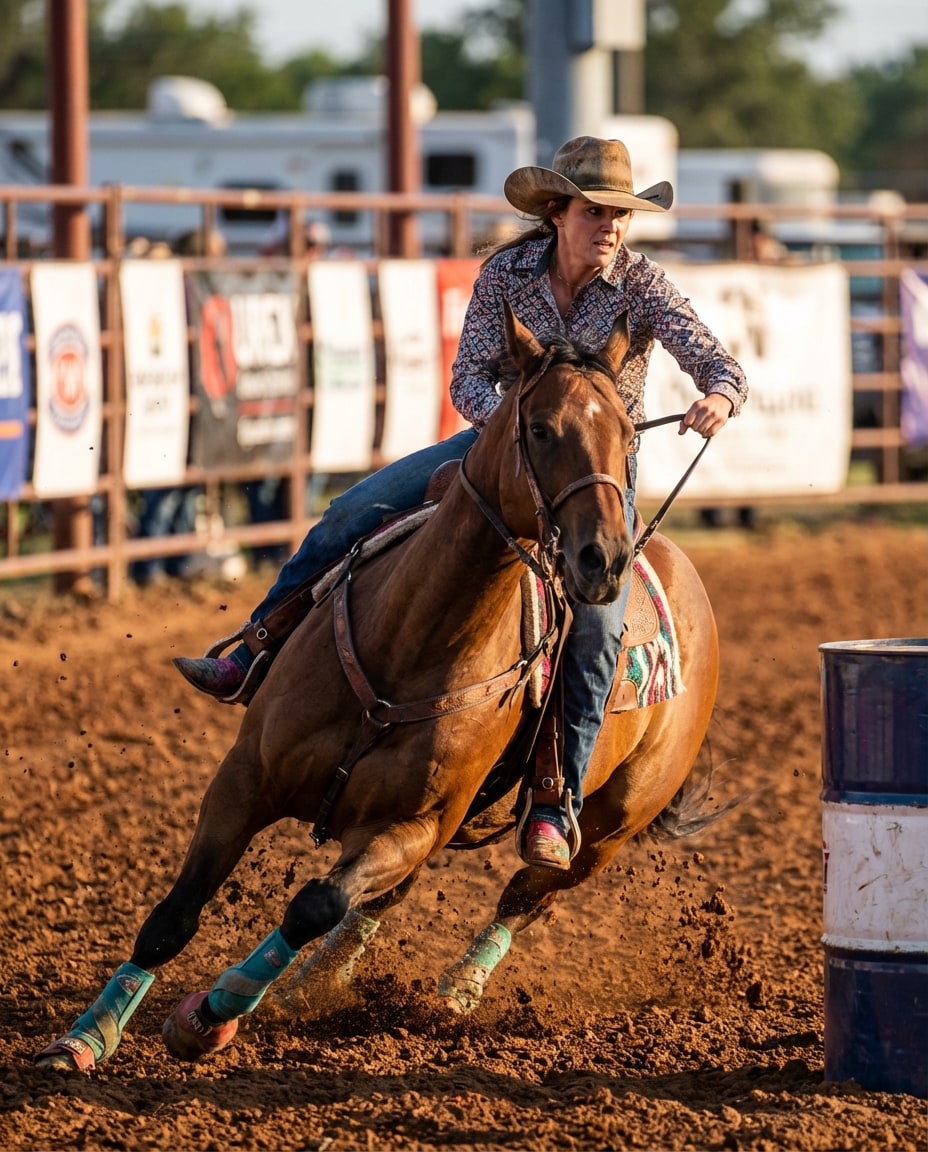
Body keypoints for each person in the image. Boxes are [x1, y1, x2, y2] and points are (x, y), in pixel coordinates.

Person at [174, 136, 748, 870]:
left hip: (594, 472)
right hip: (499, 449)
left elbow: (717, 361)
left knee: (600, 625)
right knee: (350, 513)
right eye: (595, 212)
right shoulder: (507, 274)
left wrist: (719, 395)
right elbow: (467, 379)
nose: (610, 227)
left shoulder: (642, 286)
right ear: (558, 213)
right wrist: (515, 430)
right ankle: (257, 647)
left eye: (620, 215)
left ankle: (557, 798)